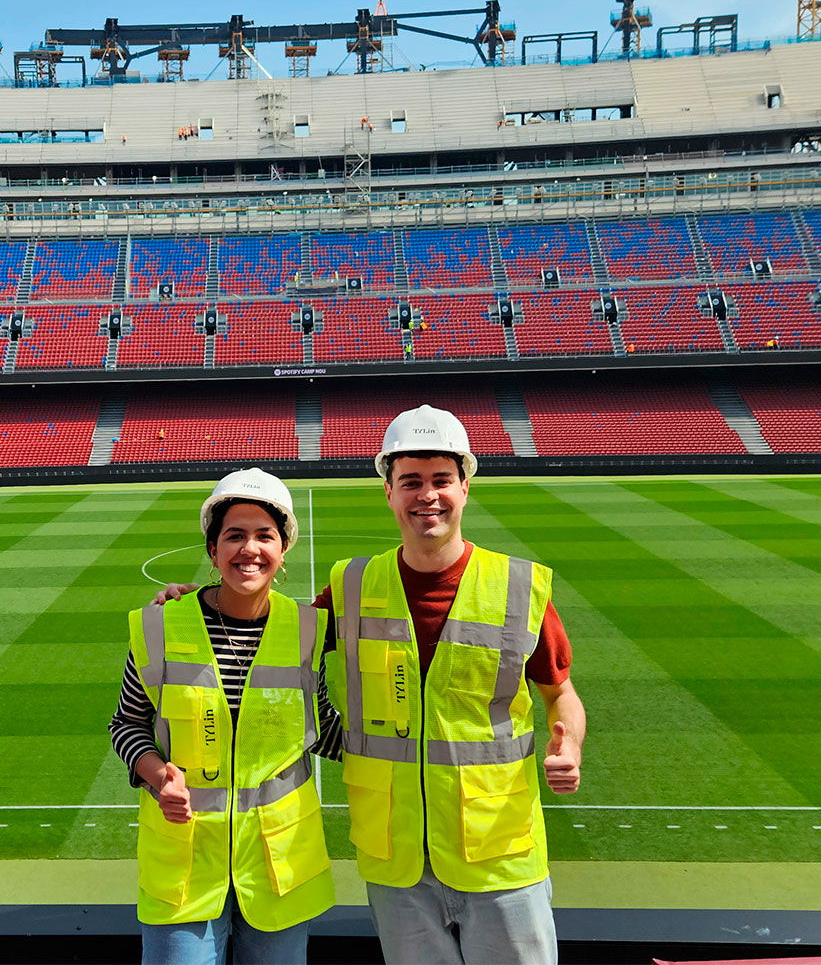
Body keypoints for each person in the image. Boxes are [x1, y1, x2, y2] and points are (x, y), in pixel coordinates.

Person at [154, 407, 584, 965]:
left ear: (464, 487)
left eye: (440, 480)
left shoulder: (519, 588)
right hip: (396, 862)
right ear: (389, 492)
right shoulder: (353, 586)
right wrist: (201, 606)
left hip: (499, 855)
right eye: (411, 482)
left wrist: (568, 743)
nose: (426, 495)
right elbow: (276, 637)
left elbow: (561, 695)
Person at [113, 468, 342, 964]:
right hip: (187, 870)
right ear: (213, 550)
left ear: (283, 551)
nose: (249, 549)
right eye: (233, 536)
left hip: (279, 870)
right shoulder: (159, 626)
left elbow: (321, 729)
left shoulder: (307, 629)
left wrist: (432, 747)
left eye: (265, 535)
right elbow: (127, 724)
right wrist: (157, 775)